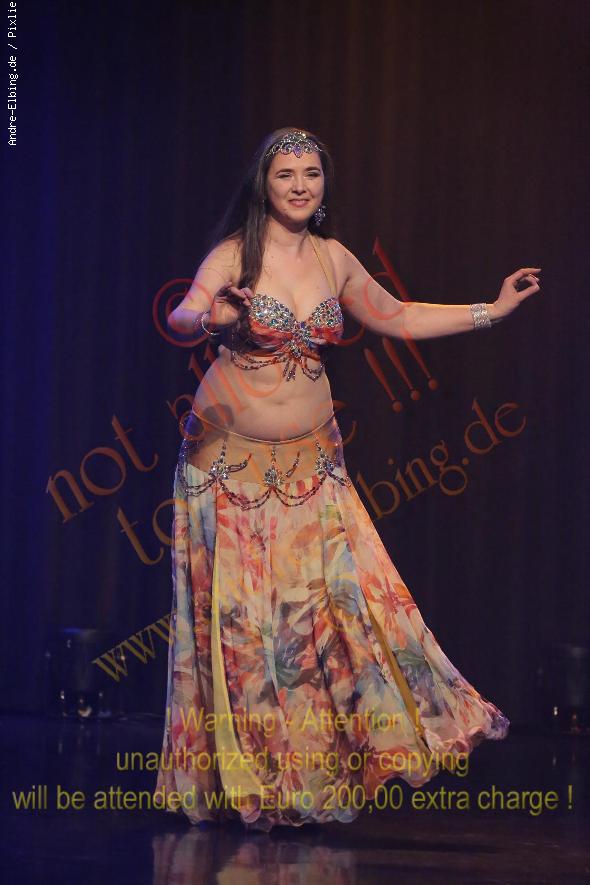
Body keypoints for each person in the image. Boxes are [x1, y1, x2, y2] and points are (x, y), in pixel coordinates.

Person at [154, 127, 541, 832]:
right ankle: (252, 784)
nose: (300, 186)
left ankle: (306, 771)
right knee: (247, 632)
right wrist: (211, 316)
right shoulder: (237, 253)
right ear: (263, 185)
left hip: (312, 466)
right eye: (285, 175)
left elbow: (399, 316)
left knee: (327, 621)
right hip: (227, 468)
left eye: (311, 174)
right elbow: (182, 317)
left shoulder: (333, 258)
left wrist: (493, 309)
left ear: (324, 183)